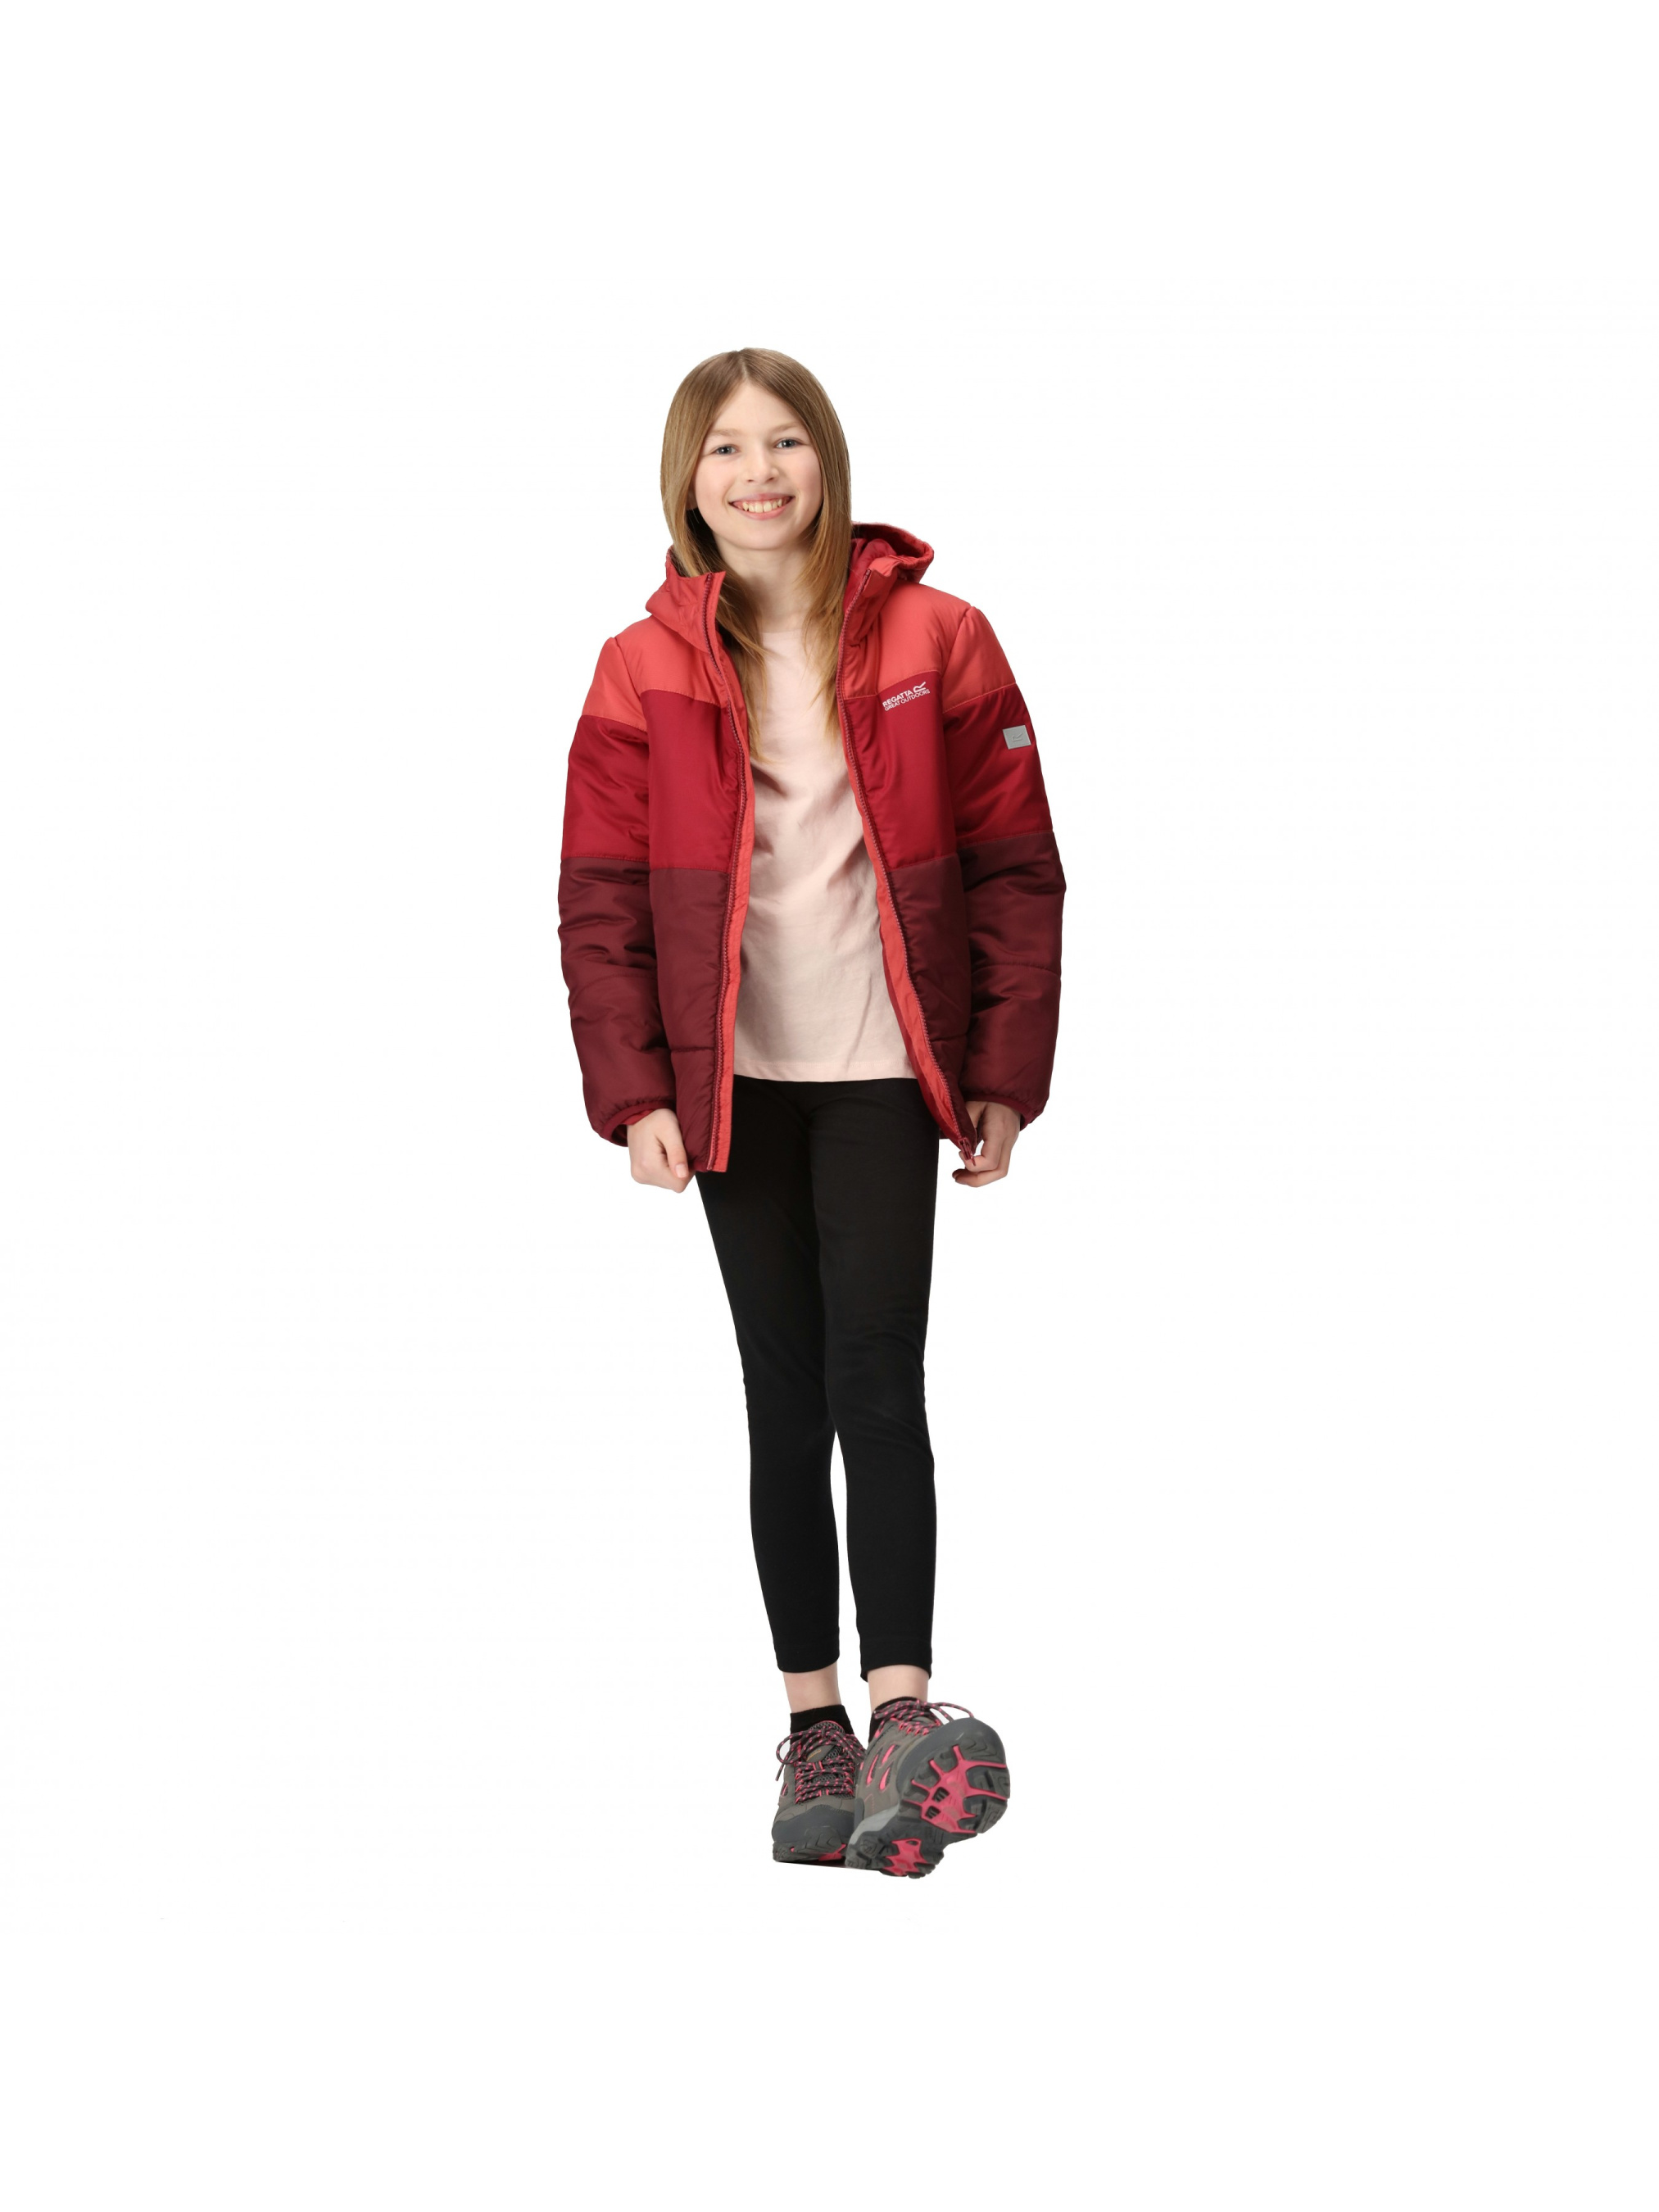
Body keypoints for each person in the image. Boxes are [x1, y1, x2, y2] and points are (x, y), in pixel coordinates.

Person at [557, 349, 1065, 1877]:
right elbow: (598, 897)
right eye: (726, 449)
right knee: (782, 1396)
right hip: (732, 1077)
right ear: (687, 479)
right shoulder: (641, 666)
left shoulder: (938, 635)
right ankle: (815, 1729)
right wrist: (634, 1090)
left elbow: (1016, 867)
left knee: (876, 1379)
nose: (759, 472)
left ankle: (905, 1717)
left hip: (882, 1065)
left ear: (826, 462)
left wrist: (1001, 1071)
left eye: (784, 442)